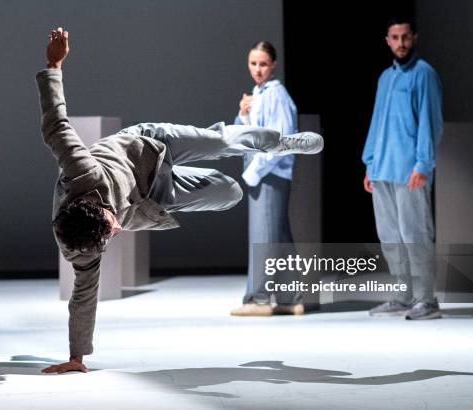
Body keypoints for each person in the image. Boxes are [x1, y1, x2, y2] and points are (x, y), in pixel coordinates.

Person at [38, 28, 324, 373]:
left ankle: (279, 142)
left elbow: (54, 125)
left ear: (97, 205)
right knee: (228, 192)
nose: (114, 234)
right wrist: (75, 357)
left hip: (150, 146)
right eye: (106, 239)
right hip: (151, 196)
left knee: (220, 142)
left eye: (109, 226)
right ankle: (226, 177)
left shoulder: (81, 172)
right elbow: (83, 294)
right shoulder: (82, 246)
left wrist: (54, 63)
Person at [362, 16, 443, 320]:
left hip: (410, 169)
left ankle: (427, 300)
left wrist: (423, 163)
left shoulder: (424, 74)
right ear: (387, 40)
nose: (400, 44)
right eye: (394, 38)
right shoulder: (386, 77)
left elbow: (430, 122)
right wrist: (369, 163)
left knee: (415, 234)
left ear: (414, 38)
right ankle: (403, 295)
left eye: (405, 37)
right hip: (382, 168)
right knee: (390, 237)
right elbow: (377, 122)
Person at [230, 41, 305, 317]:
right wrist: (243, 115)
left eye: (263, 64)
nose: (258, 69)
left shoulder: (276, 94)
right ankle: (289, 297)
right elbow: (248, 135)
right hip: (264, 171)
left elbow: (281, 140)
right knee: (279, 236)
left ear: (273, 65)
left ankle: (259, 298)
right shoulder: (258, 93)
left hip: (270, 172)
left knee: (264, 236)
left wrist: (254, 171)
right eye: (253, 64)